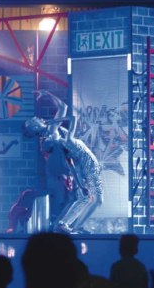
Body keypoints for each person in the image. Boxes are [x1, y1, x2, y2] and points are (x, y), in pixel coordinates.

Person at [24, 90, 76, 227]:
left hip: (58, 172)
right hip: (59, 173)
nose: (40, 118)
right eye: (36, 120)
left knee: (68, 201)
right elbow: (63, 107)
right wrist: (47, 94)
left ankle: (61, 225)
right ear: (36, 127)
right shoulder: (50, 130)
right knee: (67, 201)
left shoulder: (46, 135)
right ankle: (59, 226)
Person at [54, 113, 104, 235]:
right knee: (98, 201)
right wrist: (53, 122)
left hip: (86, 171)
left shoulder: (65, 148)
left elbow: (73, 169)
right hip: (90, 169)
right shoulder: (69, 141)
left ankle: (66, 224)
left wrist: (81, 185)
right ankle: (72, 226)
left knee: (86, 199)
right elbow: (73, 118)